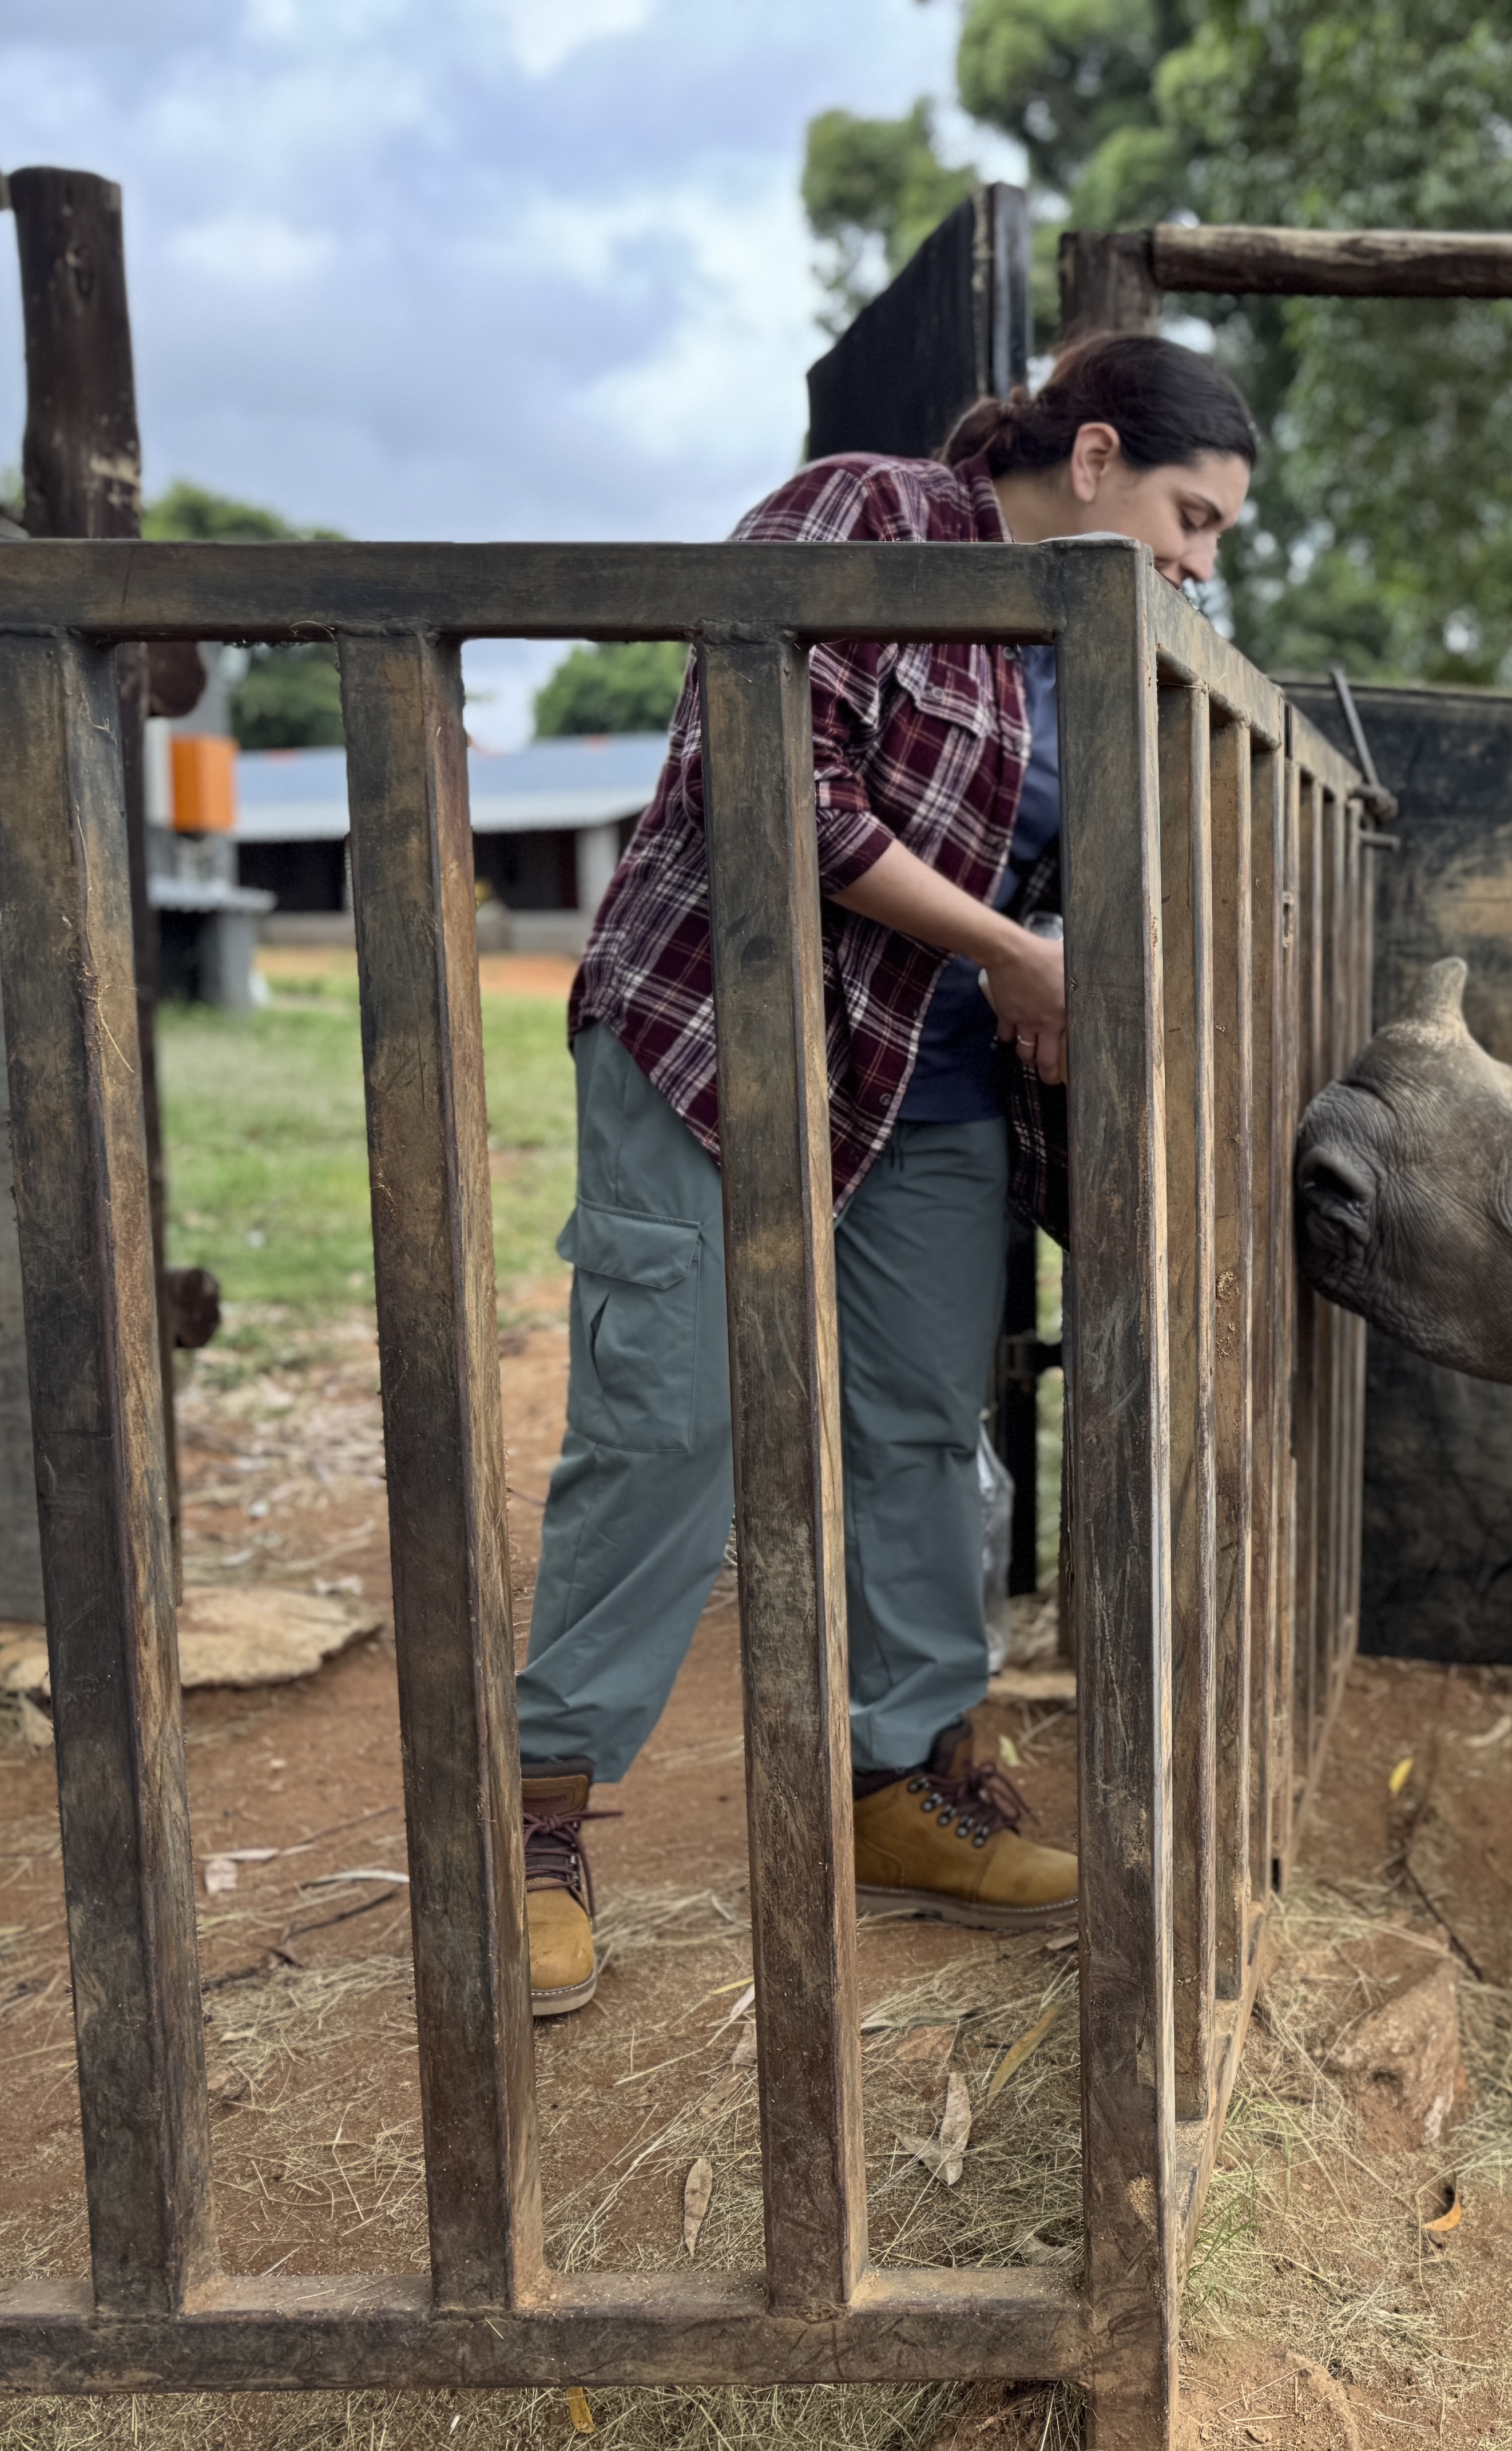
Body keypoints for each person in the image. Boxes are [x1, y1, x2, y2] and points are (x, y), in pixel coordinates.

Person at [515, 334, 1259, 2017]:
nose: (1201, 560)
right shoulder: (870, 512)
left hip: (929, 1082)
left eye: (1217, 538)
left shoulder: (1129, 637)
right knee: (672, 1417)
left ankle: (898, 1788)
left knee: (924, 1425)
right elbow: (773, 778)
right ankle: (539, 1823)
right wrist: (1020, 951)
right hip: (715, 1041)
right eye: (1189, 515)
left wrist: (1066, 967)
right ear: (1092, 456)